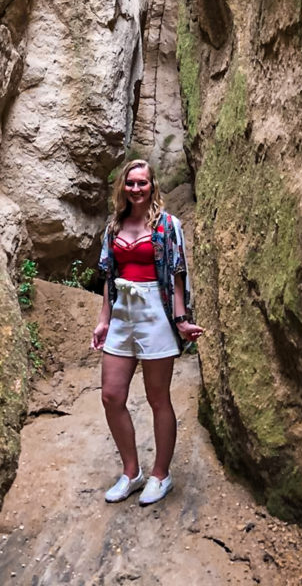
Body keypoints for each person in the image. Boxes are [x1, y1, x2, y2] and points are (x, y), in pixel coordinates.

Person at [91, 159, 204, 506]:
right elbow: (109, 277)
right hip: (123, 310)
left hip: (155, 310)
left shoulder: (168, 225)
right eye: (130, 183)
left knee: (158, 398)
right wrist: (104, 319)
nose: (136, 189)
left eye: (142, 183)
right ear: (123, 188)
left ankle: (160, 474)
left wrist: (181, 319)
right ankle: (131, 471)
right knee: (111, 396)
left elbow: (177, 273)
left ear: (153, 186)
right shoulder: (114, 226)